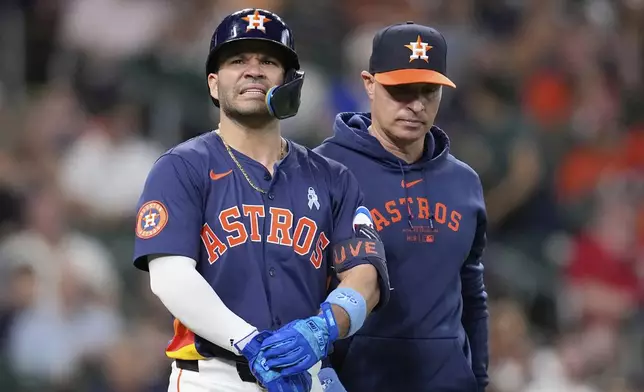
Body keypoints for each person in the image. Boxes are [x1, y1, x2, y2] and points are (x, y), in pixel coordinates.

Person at [132, 8, 391, 392]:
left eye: (268, 61)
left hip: (306, 374)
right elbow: (170, 278)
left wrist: (321, 329)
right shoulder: (182, 168)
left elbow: (365, 278)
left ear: (289, 82)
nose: (253, 70)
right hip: (214, 377)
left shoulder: (332, 178)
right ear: (213, 84)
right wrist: (249, 341)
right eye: (238, 60)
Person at [314, 22, 489, 391]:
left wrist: (479, 377)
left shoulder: (464, 182)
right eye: (401, 90)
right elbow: (298, 283)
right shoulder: (322, 171)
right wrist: (319, 373)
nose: (416, 105)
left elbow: (471, 289)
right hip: (356, 379)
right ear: (369, 83)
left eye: (429, 91)